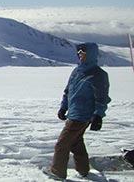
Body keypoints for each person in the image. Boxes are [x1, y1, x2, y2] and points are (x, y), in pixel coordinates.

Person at [43, 42, 111, 180]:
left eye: (83, 53)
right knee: (76, 142)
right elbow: (68, 91)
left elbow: (102, 98)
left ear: (91, 54)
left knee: (62, 144)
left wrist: (98, 115)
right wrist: (63, 107)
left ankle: (58, 172)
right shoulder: (76, 71)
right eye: (79, 53)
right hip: (73, 113)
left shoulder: (98, 75)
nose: (80, 55)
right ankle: (83, 170)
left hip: (83, 115)